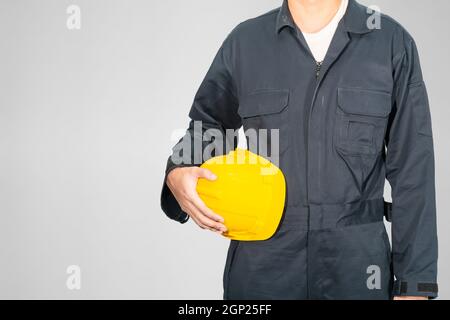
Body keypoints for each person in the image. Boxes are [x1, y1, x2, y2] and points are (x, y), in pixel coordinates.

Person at [161, 0, 438, 300]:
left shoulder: (390, 43)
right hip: (262, 268)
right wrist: (178, 169)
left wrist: (414, 287)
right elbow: (207, 126)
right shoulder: (246, 42)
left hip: (358, 270)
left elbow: (414, 172)